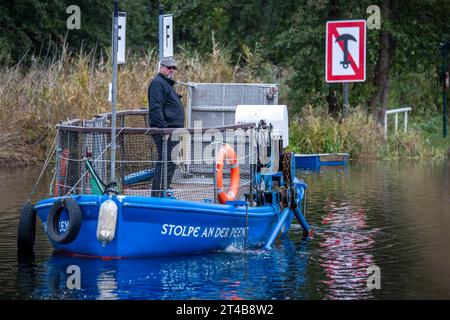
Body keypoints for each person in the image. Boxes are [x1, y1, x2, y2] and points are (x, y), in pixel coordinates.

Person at [148, 57, 185, 197]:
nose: (171, 70)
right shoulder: (158, 83)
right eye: (169, 67)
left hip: (172, 131)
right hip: (166, 132)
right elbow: (155, 109)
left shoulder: (166, 84)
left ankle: (163, 191)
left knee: (170, 161)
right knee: (165, 161)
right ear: (161, 67)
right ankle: (157, 195)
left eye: (173, 68)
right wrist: (164, 129)